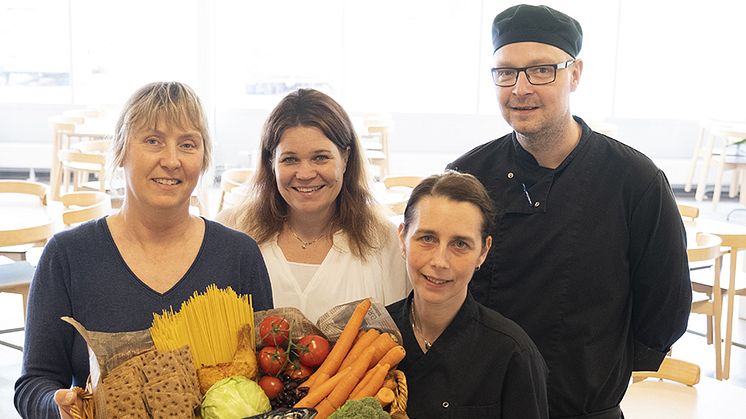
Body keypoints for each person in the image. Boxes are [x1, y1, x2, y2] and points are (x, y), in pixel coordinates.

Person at [446, 5, 691, 418]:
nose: (520, 89)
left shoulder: (633, 179)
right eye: (505, 72)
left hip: (584, 407)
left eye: (541, 70)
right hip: (483, 404)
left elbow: (665, 302)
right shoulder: (469, 175)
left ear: (575, 74)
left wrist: (600, 367)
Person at [14, 82, 274, 418]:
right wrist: (58, 406)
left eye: (188, 144)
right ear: (121, 150)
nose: (171, 160)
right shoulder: (67, 256)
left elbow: (270, 376)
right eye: (153, 141)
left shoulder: (239, 255)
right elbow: (34, 383)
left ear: (204, 159)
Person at [218, 88, 407, 322]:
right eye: (290, 159)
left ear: (345, 158)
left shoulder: (383, 241)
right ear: (271, 163)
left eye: (320, 157)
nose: (305, 174)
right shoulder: (233, 232)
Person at [386, 171, 548, 419]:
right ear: (403, 239)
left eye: (460, 244)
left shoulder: (512, 353)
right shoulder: (373, 333)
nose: (440, 261)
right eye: (427, 238)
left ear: (483, 251)